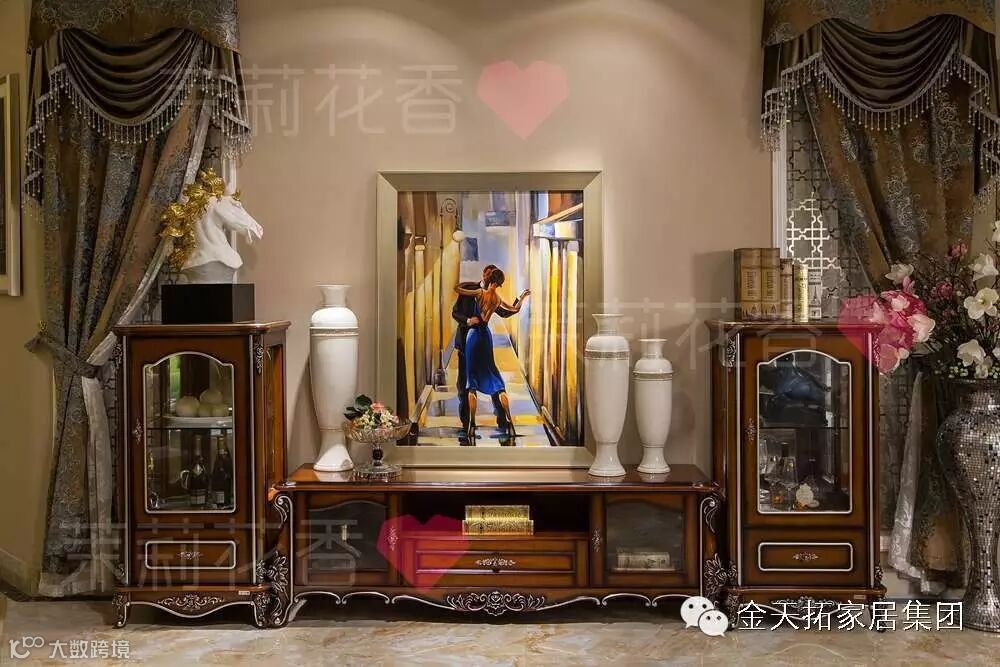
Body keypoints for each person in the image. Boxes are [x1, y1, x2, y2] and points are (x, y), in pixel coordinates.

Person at [454, 268, 530, 441]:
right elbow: (513, 309)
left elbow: (457, 289)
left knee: (471, 382)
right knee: (494, 378)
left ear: (489, 278)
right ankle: (509, 421)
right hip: (484, 336)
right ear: (499, 283)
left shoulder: (479, 293)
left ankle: (472, 424)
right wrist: (522, 297)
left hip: (473, 336)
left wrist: (464, 286)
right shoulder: (497, 299)